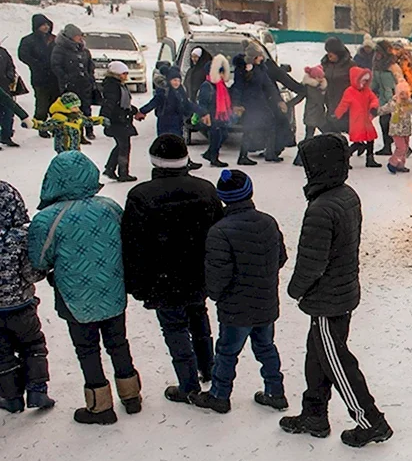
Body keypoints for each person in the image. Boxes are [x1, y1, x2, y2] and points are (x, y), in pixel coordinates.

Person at [281, 134, 393, 448]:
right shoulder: (346, 195)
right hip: (340, 292)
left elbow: (312, 263)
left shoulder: (321, 208)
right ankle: (314, 414)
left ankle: (372, 421)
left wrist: (295, 289)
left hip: (328, 300)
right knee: (317, 355)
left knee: (336, 360)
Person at [27, 151, 141, 424]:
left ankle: (100, 405)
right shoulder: (110, 207)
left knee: (87, 349)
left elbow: (39, 260)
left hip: (74, 296)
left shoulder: (48, 219)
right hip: (112, 288)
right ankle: (131, 394)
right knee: (118, 342)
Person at [121, 135, 224, 402]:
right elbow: (218, 231)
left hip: (162, 277)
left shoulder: (141, 196)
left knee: (175, 328)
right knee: (199, 317)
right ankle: (208, 366)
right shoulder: (205, 189)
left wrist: (136, 284)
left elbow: (133, 244)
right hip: (199, 271)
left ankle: (188, 384)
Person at [191, 170, 288, 414]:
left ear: (223, 197)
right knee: (266, 347)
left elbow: (217, 275)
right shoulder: (268, 222)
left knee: (226, 352)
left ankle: (219, 395)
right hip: (266, 302)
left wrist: (215, 294)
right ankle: (275, 391)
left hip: (236, 307)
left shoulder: (220, 231)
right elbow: (281, 257)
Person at [0, 181, 54, 413]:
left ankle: (11, 397)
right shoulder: (21, 237)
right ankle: (37, 390)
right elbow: (31, 273)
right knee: (32, 345)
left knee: (2, 354)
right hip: (22, 307)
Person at [231, 46, 282, 165]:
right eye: (260, 56)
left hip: (260, 102)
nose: (262, 57)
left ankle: (270, 153)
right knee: (249, 129)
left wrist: (278, 100)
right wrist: (237, 104)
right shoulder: (241, 69)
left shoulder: (260, 69)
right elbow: (238, 88)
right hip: (248, 104)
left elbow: (269, 85)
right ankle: (242, 156)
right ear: (254, 57)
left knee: (271, 123)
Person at [50, 24, 99, 142]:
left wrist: (89, 76)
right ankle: (78, 133)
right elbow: (56, 66)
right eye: (77, 36)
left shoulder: (83, 49)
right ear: (70, 36)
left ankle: (89, 130)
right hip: (70, 85)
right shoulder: (60, 49)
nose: (80, 38)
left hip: (84, 84)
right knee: (73, 110)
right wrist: (66, 78)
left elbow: (89, 64)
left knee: (86, 108)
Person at [17, 13, 59, 137]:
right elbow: (23, 55)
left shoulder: (53, 39)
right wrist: (37, 64)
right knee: (42, 104)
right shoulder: (29, 40)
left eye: (47, 25)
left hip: (54, 77)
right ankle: (41, 126)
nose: (46, 27)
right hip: (40, 78)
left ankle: (55, 126)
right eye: (43, 25)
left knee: (56, 103)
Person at [25, 92, 104, 154]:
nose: (77, 109)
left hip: (75, 150)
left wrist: (101, 120)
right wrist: (32, 124)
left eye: (78, 106)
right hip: (63, 151)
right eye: (74, 107)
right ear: (66, 107)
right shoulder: (59, 119)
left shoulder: (77, 117)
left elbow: (88, 121)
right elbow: (45, 126)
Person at [335, 66, 382, 168]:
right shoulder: (350, 91)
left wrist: (373, 106)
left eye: (366, 81)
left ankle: (370, 159)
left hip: (366, 120)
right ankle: (345, 159)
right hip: (356, 121)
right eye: (363, 80)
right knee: (357, 142)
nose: (365, 83)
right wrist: (337, 114)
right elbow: (343, 104)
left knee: (370, 139)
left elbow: (374, 99)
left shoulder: (367, 91)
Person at [100, 61, 140, 182]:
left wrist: (134, 111)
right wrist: (105, 117)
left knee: (120, 145)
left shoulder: (119, 85)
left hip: (122, 120)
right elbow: (110, 103)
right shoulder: (113, 87)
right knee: (124, 146)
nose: (125, 76)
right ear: (116, 73)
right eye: (123, 73)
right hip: (118, 121)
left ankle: (110, 169)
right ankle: (123, 173)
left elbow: (124, 104)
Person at [197, 54, 234, 168]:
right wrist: (205, 114)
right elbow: (202, 101)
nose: (223, 75)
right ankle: (214, 158)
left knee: (222, 134)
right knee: (216, 136)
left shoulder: (220, 85)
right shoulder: (207, 86)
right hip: (212, 115)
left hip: (220, 116)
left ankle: (210, 154)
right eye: (221, 72)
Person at [378, 80, 412, 174]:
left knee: (405, 148)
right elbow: (383, 110)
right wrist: (374, 112)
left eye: (405, 93)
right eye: (401, 93)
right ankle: (392, 163)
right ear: (397, 94)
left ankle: (400, 165)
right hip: (396, 130)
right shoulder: (393, 103)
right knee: (401, 148)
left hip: (406, 129)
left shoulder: (410, 104)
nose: (403, 96)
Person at [322, 38, 353, 135]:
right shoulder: (326, 64)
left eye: (332, 52)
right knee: (331, 129)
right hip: (330, 101)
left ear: (338, 53)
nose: (329, 55)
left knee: (348, 128)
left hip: (345, 103)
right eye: (328, 52)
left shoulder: (350, 65)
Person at [371, 41, 396, 155]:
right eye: (376, 51)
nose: (377, 54)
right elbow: (374, 82)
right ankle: (387, 147)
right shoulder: (376, 65)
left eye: (379, 52)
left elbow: (399, 80)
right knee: (384, 122)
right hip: (383, 99)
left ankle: (403, 147)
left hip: (394, 98)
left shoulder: (393, 66)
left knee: (394, 124)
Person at [0, 45, 27, 147]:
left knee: (8, 113)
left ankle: (6, 136)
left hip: (5, 87)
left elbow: (11, 65)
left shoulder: (3, 51)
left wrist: (10, 76)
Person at [300, 65, 328, 142]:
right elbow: (299, 97)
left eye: (322, 77)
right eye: (319, 77)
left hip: (320, 114)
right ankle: (303, 151)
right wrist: (289, 104)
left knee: (327, 133)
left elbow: (327, 99)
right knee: (309, 135)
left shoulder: (322, 87)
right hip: (311, 114)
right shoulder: (308, 87)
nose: (321, 79)